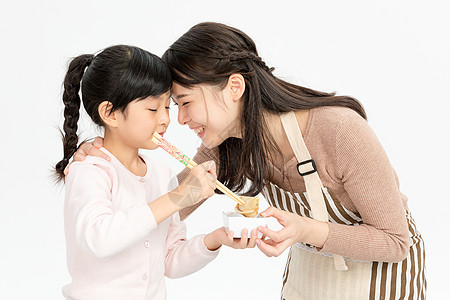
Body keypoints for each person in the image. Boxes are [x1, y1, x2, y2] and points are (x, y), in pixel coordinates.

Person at [73, 23, 426, 299]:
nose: (178, 120)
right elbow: (159, 212)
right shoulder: (226, 146)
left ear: (234, 87)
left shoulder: (339, 131)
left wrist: (303, 229)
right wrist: (108, 151)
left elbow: (394, 242)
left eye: (184, 102)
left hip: (381, 280)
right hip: (311, 279)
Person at [55, 45, 257, 300]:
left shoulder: (161, 175)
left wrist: (216, 239)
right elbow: (98, 238)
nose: (165, 120)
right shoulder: (90, 171)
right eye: (153, 109)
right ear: (110, 113)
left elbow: (170, 259)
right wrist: (178, 198)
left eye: (167, 108)